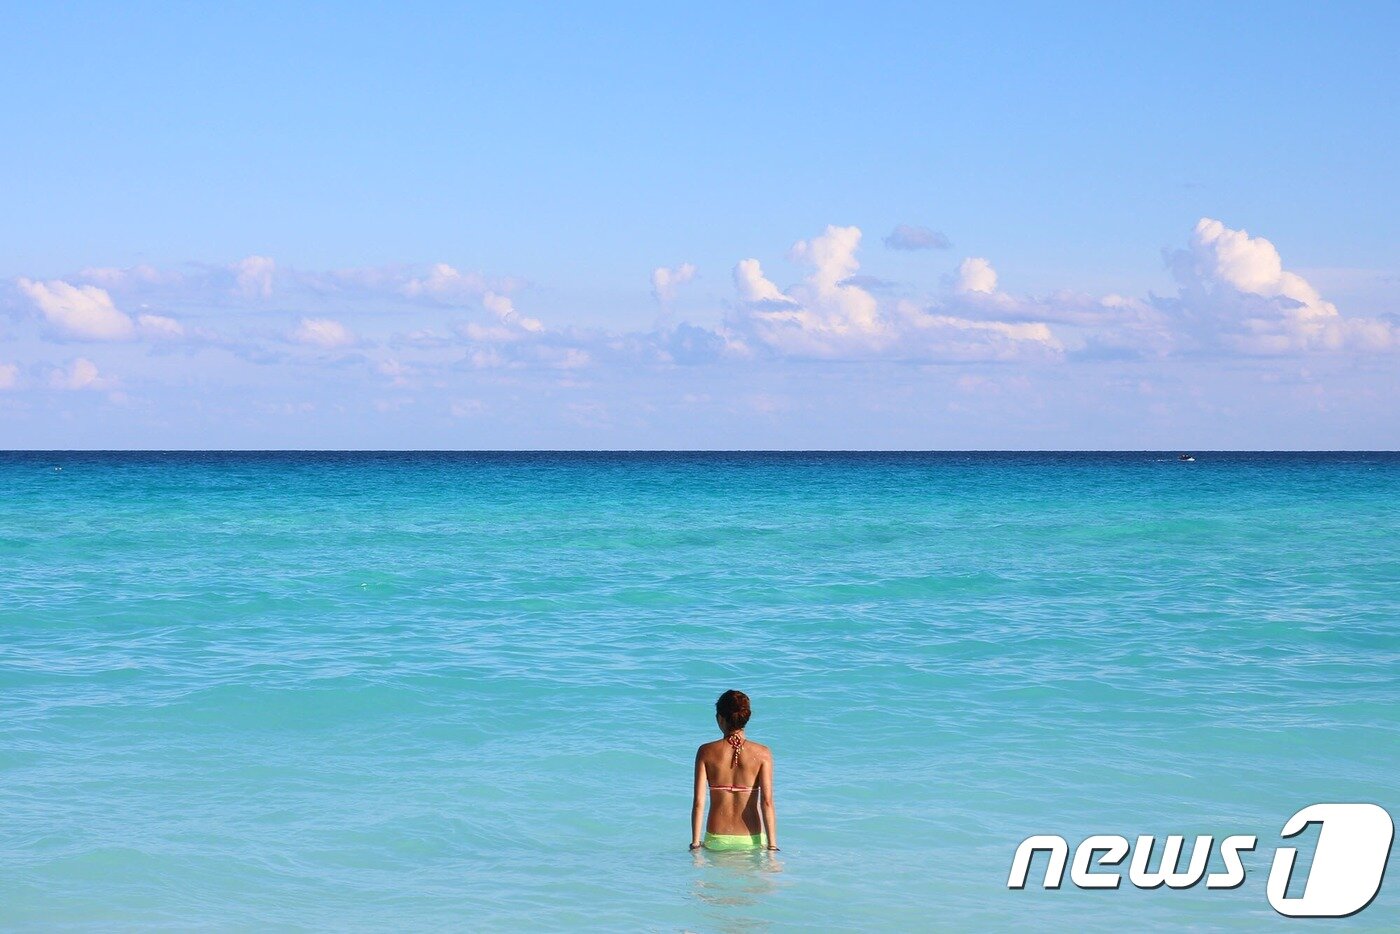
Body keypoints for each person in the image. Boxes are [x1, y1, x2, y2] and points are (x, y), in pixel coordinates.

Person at [689, 689, 779, 852]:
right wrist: (772, 847)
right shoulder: (763, 753)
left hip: (717, 837)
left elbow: (698, 803)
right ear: (745, 718)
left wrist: (695, 843)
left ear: (720, 718)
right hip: (751, 839)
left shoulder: (705, 752)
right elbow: (767, 802)